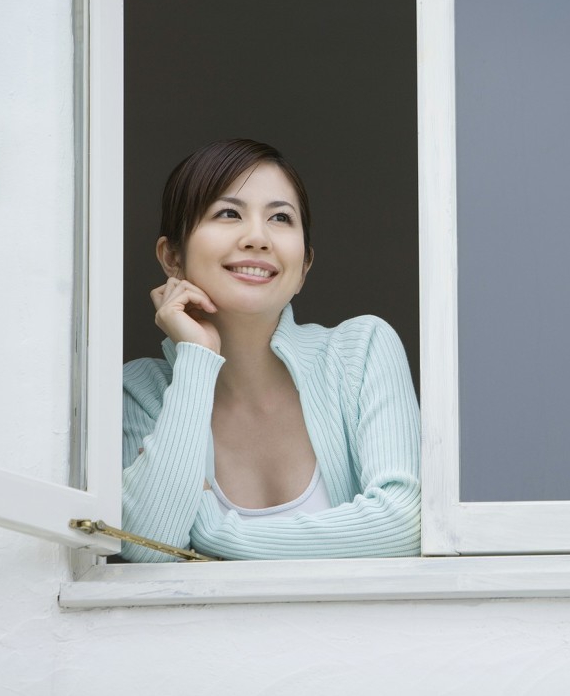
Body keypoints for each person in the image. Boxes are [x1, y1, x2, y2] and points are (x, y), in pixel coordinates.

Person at [119, 139, 421, 561]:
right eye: (228, 213)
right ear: (172, 257)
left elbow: (404, 525)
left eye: (280, 217)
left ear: (304, 266)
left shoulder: (362, 351)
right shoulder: (139, 392)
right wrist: (196, 359)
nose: (258, 238)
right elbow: (147, 548)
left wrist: (215, 533)